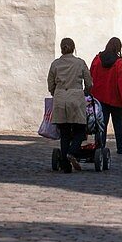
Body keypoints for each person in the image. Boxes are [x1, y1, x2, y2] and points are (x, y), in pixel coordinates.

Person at [47, 37, 93, 172]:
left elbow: (50, 83)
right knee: (80, 130)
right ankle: (72, 152)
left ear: (61, 48)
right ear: (73, 48)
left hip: (60, 98)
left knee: (65, 132)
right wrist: (85, 92)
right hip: (76, 98)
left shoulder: (55, 64)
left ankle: (65, 165)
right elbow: (89, 82)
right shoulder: (80, 63)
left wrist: (56, 93)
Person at [90, 36, 122, 155]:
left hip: (100, 98)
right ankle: (121, 148)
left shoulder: (97, 59)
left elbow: (91, 76)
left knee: (101, 124)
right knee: (118, 124)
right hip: (116, 99)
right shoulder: (119, 63)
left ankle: (99, 147)